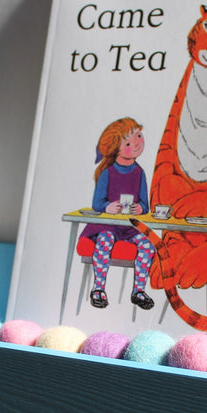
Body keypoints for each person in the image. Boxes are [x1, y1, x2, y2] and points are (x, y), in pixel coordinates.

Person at [79, 117, 155, 310]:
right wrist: (107, 207)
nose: (137, 143)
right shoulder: (108, 172)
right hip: (108, 226)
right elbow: (97, 202)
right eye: (128, 142)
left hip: (130, 228)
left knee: (147, 246)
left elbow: (145, 204)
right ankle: (98, 289)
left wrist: (140, 208)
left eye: (138, 136)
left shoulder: (139, 173)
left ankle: (138, 291)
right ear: (116, 148)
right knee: (104, 241)